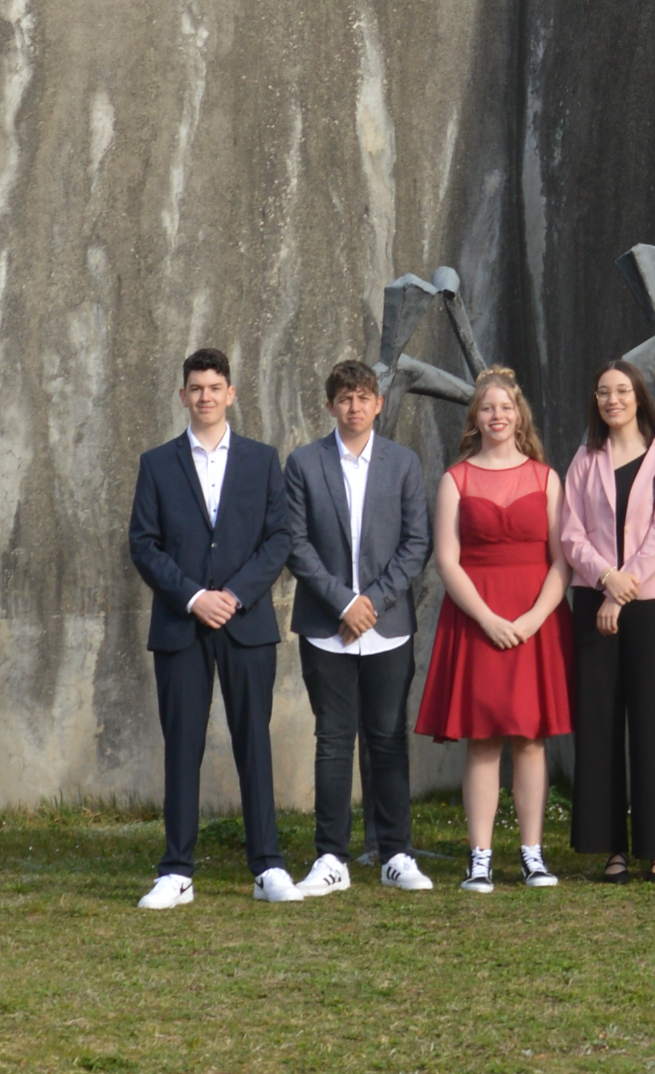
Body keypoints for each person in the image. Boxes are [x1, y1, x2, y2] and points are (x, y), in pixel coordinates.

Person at [126, 347, 297, 909]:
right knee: (183, 746)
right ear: (183, 396)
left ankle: (268, 866)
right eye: (196, 388)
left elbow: (279, 538)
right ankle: (176, 871)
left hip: (247, 622)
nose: (205, 396)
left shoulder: (262, 460)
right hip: (182, 625)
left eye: (215, 387)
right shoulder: (157, 463)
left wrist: (234, 594)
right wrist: (195, 597)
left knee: (255, 744)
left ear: (231, 394)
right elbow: (144, 545)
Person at [415, 367, 573, 893]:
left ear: (519, 416)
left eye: (506, 407)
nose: (497, 415)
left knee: (530, 740)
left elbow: (562, 560)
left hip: (535, 620)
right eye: (487, 408)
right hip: (476, 619)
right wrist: (486, 618)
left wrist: (533, 618)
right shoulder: (455, 479)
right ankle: (479, 858)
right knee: (482, 741)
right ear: (475, 418)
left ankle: (532, 855)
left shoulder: (546, 478)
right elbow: (447, 560)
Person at [284, 359, 436, 897]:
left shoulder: (403, 463)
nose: (355, 406)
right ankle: (331, 859)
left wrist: (370, 602)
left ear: (379, 404)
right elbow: (295, 543)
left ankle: (396, 854)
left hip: (387, 626)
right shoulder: (304, 463)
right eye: (345, 398)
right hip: (326, 628)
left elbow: (417, 542)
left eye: (363, 397)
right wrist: (344, 603)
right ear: (331, 405)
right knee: (332, 742)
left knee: (388, 739)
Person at [560, 358, 655, 883]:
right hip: (592, 598)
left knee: (654, 723)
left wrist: (622, 588)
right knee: (600, 723)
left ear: (639, 396)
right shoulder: (584, 458)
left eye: (621, 391)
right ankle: (611, 846)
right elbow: (570, 533)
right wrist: (605, 579)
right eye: (602, 392)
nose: (612, 400)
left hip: (650, 601)